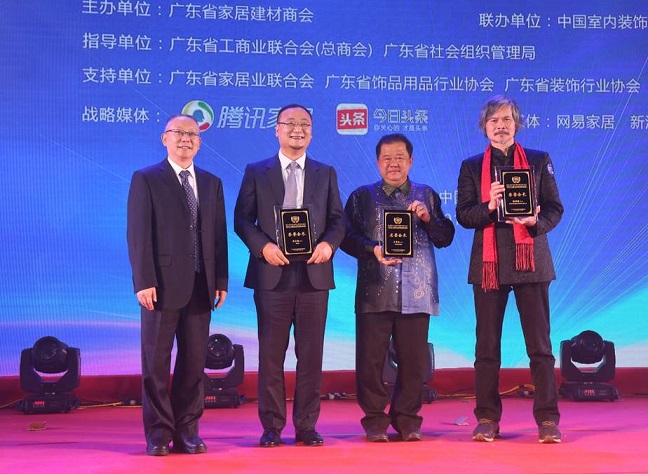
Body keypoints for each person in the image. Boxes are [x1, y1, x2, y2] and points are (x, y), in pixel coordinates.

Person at [234, 104, 345, 447]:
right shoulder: (257, 171)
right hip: (272, 273)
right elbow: (242, 219)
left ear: (311, 131)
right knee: (271, 355)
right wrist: (263, 247)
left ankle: (307, 425)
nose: (298, 130)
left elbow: (338, 220)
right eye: (290, 123)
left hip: (314, 275)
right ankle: (272, 426)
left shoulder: (326, 172)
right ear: (277, 129)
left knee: (311, 355)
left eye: (305, 124)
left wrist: (328, 245)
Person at [456, 95, 564, 443]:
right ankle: (487, 418)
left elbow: (555, 209)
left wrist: (535, 222)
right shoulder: (472, 166)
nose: (500, 126)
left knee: (540, 346)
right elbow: (464, 215)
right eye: (493, 121)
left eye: (506, 119)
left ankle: (547, 419)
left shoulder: (538, 160)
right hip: (489, 264)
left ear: (517, 124)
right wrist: (489, 205)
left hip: (531, 260)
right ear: (484, 127)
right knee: (486, 348)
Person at [341, 133, 455, 442]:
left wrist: (429, 219)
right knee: (370, 360)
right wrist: (372, 249)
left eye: (400, 158)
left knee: (413, 361)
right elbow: (345, 238)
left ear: (411, 161)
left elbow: (445, 237)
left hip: (418, 290)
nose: (394, 164)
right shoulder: (361, 197)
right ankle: (375, 419)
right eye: (387, 158)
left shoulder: (427, 195)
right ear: (378, 162)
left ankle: (407, 419)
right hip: (375, 288)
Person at [127, 114, 229, 456]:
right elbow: (138, 234)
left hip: (201, 286)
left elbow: (218, 236)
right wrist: (144, 280)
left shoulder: (211, 183)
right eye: (178, 133)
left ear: (199, 141)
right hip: (161, 287)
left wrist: (221, 280)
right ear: (165, 138)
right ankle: (159, 433)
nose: (186, 139)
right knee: (156, 364)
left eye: (192, 134)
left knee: (193, 363)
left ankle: (188, 430)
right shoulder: (146, 178)